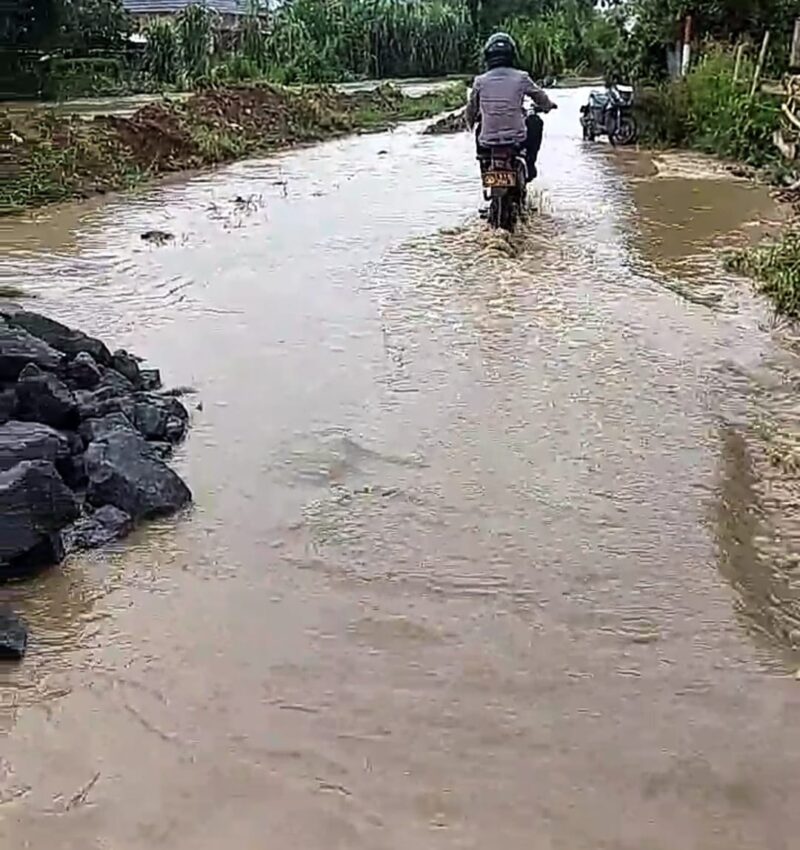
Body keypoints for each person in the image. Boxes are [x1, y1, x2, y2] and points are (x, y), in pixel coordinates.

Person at [465, 32, 557, 181]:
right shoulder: (522, 77)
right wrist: (548, 106)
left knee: (479, 130)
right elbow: (540, 97)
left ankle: (485, 169)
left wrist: (469, 125)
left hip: (488, 141)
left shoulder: (479, 81)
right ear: (512, 55)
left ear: (488, 56)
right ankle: (530, 163)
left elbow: (470, 110)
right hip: (517, 138)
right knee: (535, 121)